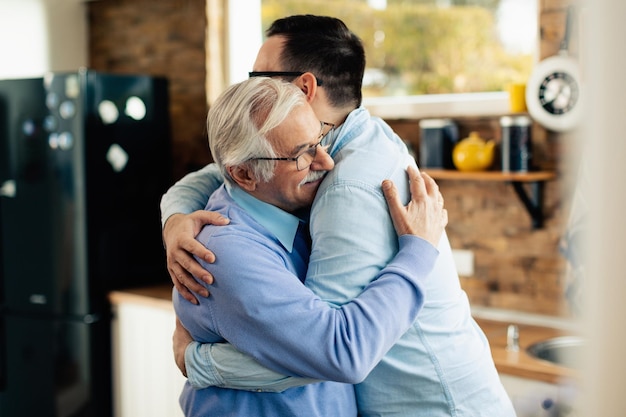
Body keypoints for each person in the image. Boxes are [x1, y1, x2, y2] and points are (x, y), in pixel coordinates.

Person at [162, 15, 516, 417]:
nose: (252, 89)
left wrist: (198, 360)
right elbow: (216, 173)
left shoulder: (344, 185)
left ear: (302, 87)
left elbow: (337, 351)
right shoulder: (343, 137)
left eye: (260, 76)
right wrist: (176, 220)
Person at [173, 75, 447, 416]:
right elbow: (344, 353)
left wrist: (200, 360)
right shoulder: (223, 254)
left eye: (320, 140)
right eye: (303, 155)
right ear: (244, 175)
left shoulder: (283, 205)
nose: (326, 162)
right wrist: (418, 251)